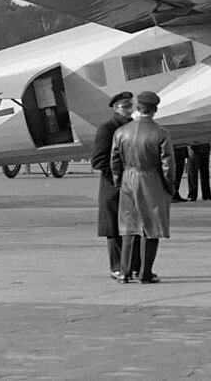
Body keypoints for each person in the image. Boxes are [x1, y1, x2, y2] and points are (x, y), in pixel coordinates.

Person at [110, 90, 174, 284]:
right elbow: (168, 165)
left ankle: (125, 272)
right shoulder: (161, 133)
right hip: (151, 180)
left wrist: (119, 183)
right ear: (154, 110)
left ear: (137, 108)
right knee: (151, 227)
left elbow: (115, 161)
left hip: (129, 178)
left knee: (129, 227)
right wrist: (169, 186)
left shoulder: (121, 132)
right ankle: (145, 273)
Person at [91, 91, 139, 280]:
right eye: (124, 107)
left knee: (133, 227)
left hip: (131, 185)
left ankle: (133, 267)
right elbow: (98, 160)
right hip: (113, 186)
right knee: (114, 230)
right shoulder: (107, 129)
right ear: (116, 108)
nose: (128, 110)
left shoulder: (133, 127)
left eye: (130, 106)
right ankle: (117, 267)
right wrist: (119, 176)